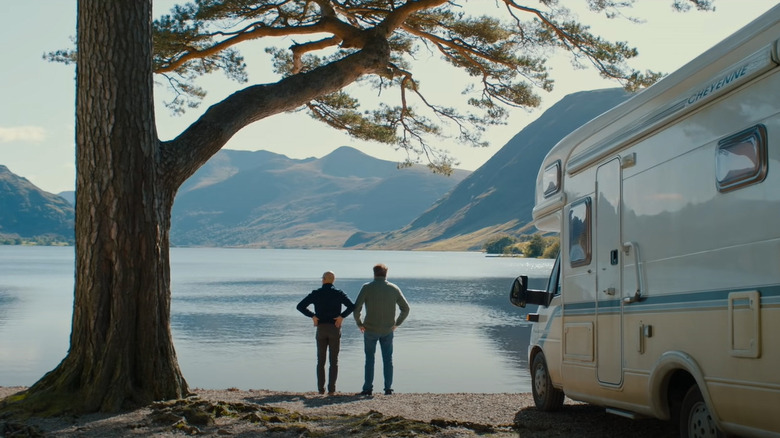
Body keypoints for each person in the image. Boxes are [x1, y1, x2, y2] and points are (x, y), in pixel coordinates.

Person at [353, 263, 410, 396]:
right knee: (388, 359)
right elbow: (406, 309)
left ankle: (367, 389)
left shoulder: (366, 288)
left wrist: (359, 323)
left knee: (369, 359)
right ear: (386, 274)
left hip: (370, 329)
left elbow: (357, 308)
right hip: (387, 330)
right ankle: (388, 388)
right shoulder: (394, 288)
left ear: (374, 273)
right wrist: (397, 323)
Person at [296, 271, 355, 395]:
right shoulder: (339, 293)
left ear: (323, 280)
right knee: (334, 361)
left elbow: (300, 306)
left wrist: (312, 316)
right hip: (335, 327)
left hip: (321, 328)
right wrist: (341, 316)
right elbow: (351, 306)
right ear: (333, 280)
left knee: (320, 360)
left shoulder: (316, 293)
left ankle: (320, 390)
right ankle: (332, 390)